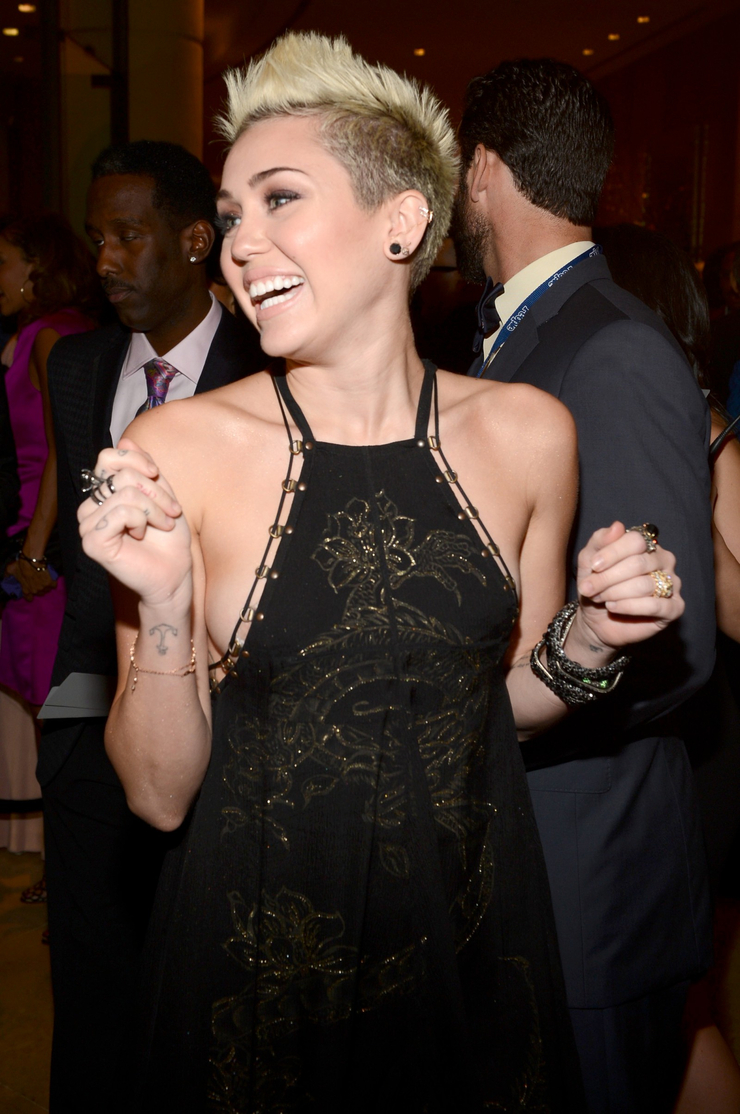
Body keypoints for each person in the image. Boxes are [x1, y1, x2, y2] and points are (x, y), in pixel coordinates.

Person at [79, 34, 684, 1112]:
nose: (241, 245)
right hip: (250, 964)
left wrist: (590, 641)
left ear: (402, 220)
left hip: (466, 947)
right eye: (231, 216)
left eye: (280, 199)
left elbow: (492, 711)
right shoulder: (178, 447)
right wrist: (165, 604)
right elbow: (158, 796)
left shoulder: (528, 435)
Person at [452, 60, 715, 1114]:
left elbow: (673, 648)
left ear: (481, 169)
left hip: (586, 876)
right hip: (529, 866)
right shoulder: (519, 334)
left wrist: (499, 713)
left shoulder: (608, 347)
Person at [37, 140, 262, 1112]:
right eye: (97, 238)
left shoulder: (270, 367)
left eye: (129, 236)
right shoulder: (79, 365)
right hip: (91, 716)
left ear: (196, 239)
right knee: (91, 982)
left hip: (230, 730)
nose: (106, 259)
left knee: (211, 988)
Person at [0, 214, 98, 862]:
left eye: (3, 262)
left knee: (58, 708)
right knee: (63, 706)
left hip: (45, 544)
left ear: (38, 268)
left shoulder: (49, 336)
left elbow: (68, 447)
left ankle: (69, 861)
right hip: (50, 535)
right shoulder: (66, 329)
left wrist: (34, 551)